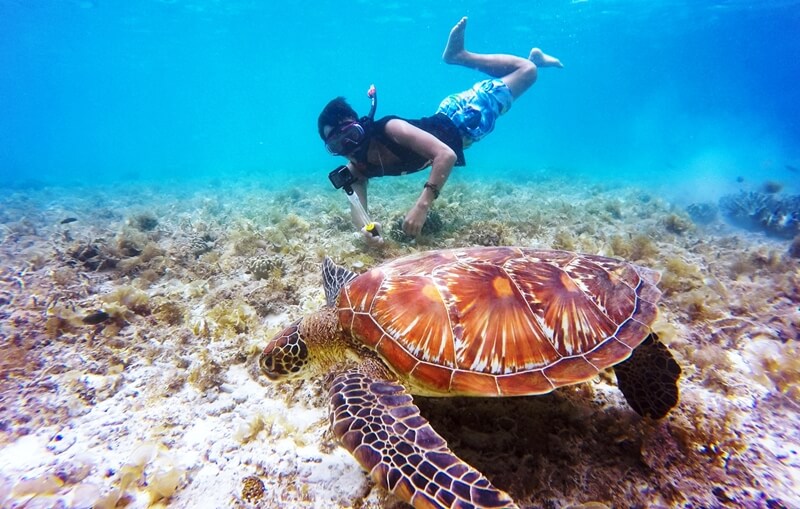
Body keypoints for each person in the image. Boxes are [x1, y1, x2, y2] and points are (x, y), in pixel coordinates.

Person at [318, 16, 563, 245]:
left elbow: (446, 155)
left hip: (464, 117)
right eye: (337, 146)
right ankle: (537, 59)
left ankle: (459, 56)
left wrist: (422, 206)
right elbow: (358, 210)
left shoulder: (390, 128)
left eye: (351, 136)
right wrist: (367, 231)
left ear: (361, 126)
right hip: (453, 122)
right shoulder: (358, 169)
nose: (349, 149)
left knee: (527, 73)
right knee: (521, 75)